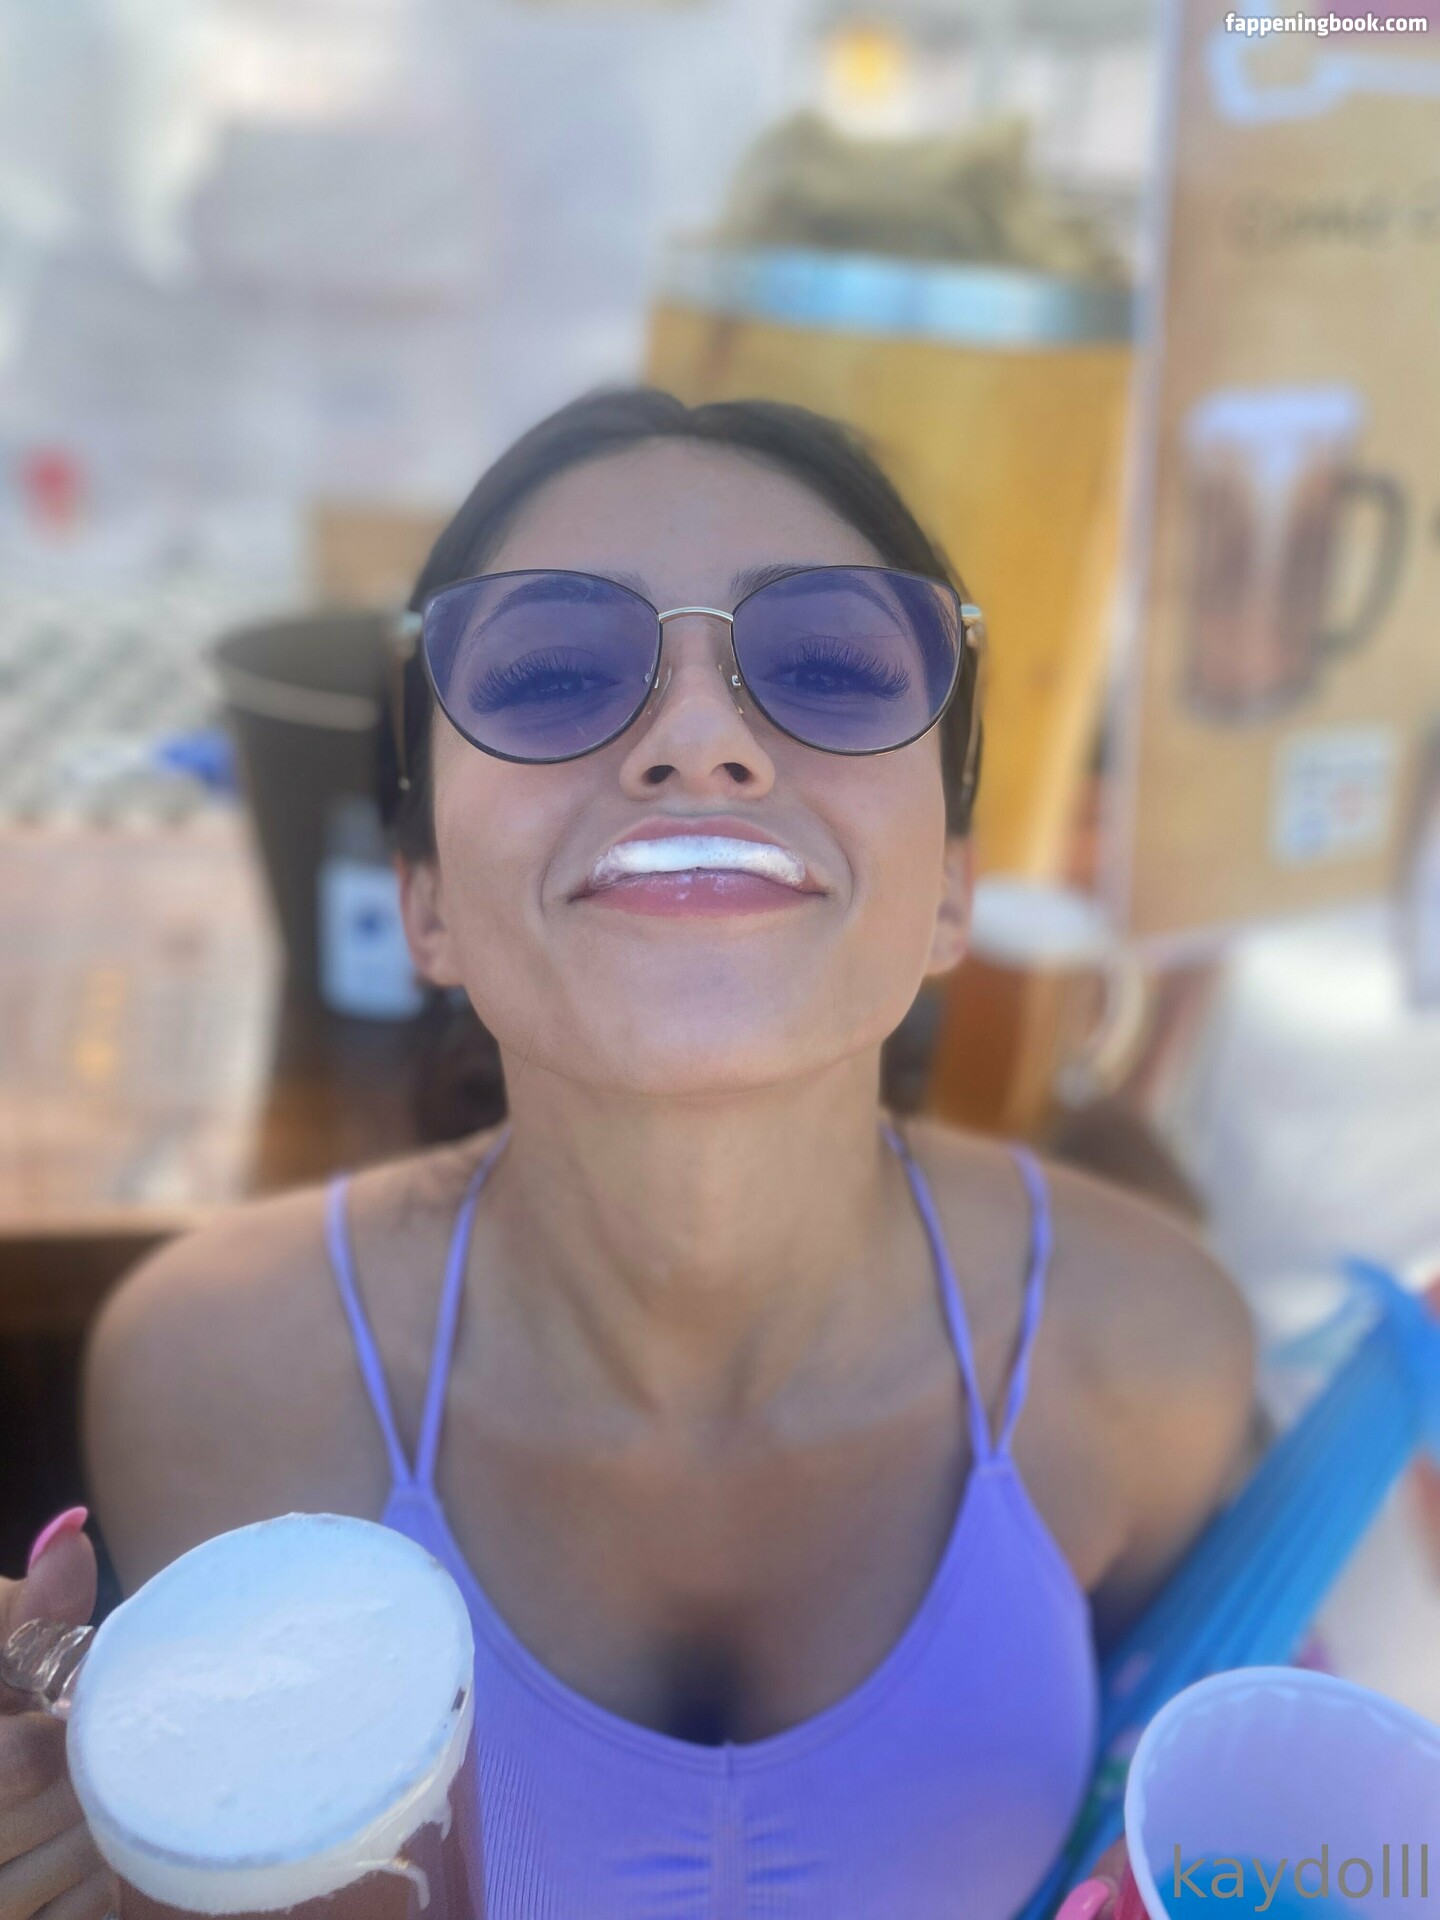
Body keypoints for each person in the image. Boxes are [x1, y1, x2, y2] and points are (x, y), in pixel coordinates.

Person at [2, 390, 1256, 1920]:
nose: (701, 739)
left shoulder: (1151, 1352)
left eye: (826, 671)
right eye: (550, 680)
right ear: (424, 903)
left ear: (950, 890)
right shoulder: (216, 1376)